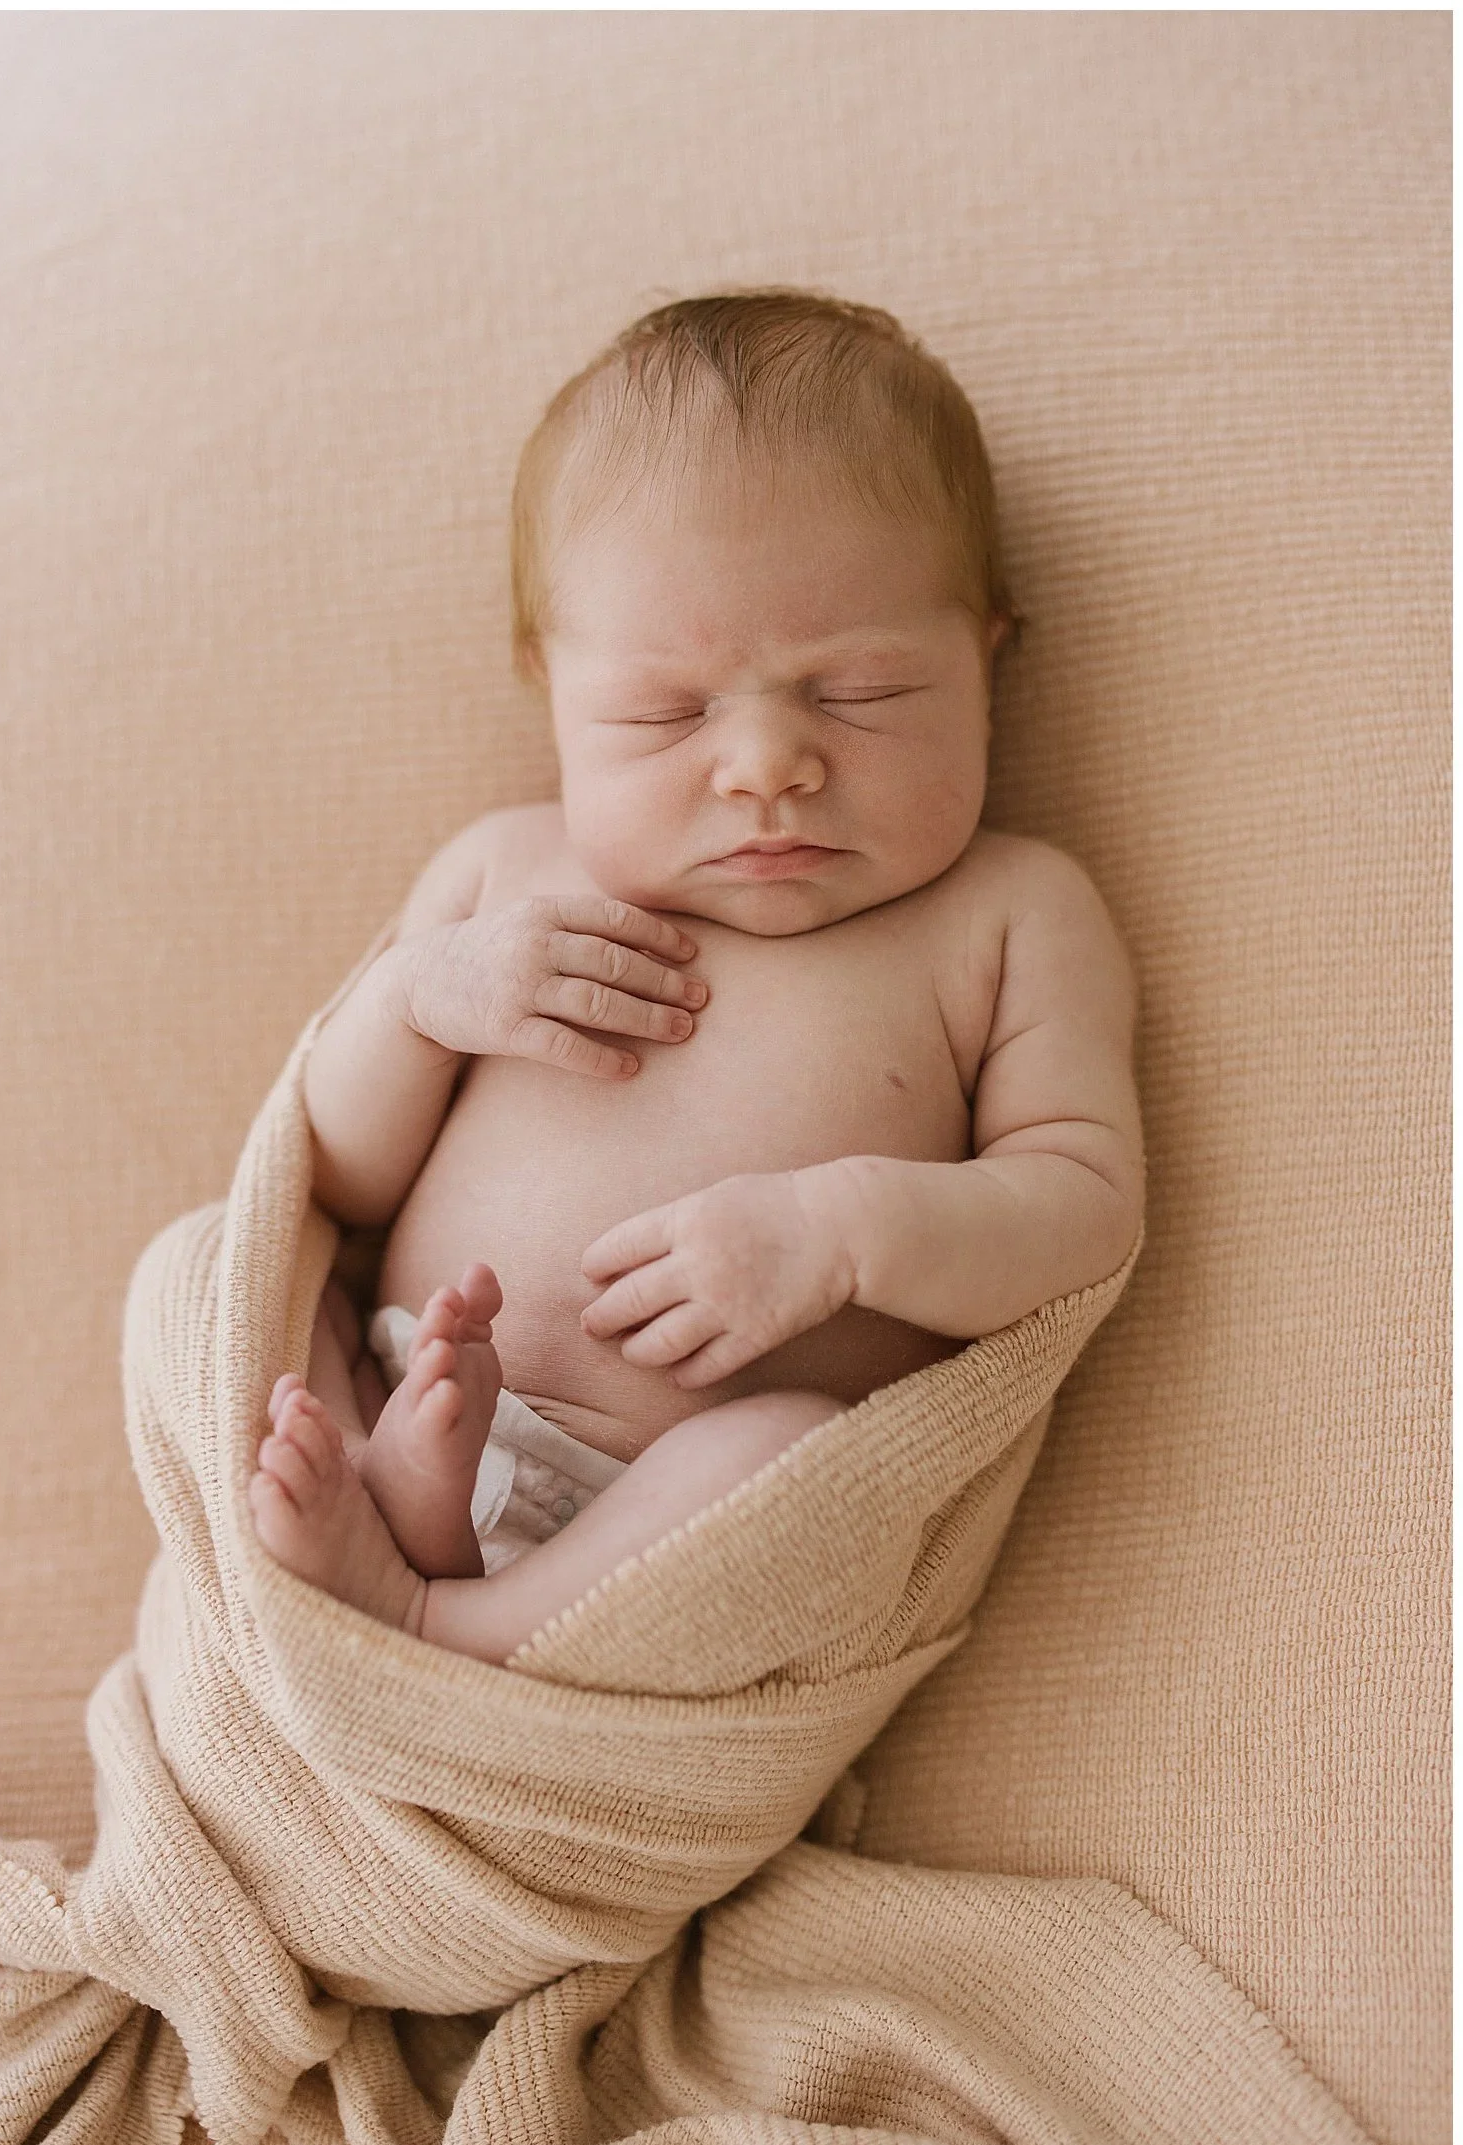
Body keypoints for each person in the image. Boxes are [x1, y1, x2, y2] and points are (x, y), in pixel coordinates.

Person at [248, 289, 1143, 1664]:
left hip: (677, 1524)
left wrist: (837, 1234)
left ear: (987, 654)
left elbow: (1082, 1214)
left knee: (789, 1451)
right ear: (548, 687)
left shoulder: (1009, 915)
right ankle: (396, 1487)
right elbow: (340, 1177)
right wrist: (420, 1002)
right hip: (398, 1370)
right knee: (204, 1273)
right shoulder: (502, 875)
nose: (767, 764)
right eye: (667, 712)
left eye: (860, 692)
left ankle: (448, 1615)